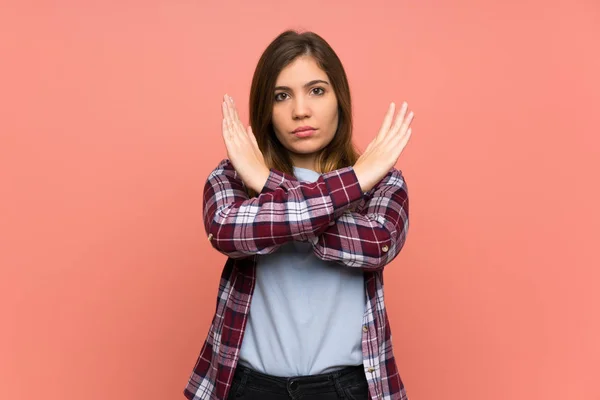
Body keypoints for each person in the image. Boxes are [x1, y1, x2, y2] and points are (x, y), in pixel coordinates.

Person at [184, 30, 414, 400]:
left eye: (317, 90)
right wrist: (353, 182)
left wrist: (266, 183)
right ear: (266, 109)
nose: (300, 110)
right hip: (249, 387)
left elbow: (375, 245)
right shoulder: (232, 176)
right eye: (281, 96)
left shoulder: (384, 184)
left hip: (347, 389)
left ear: (340, 98)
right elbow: (226, 230)